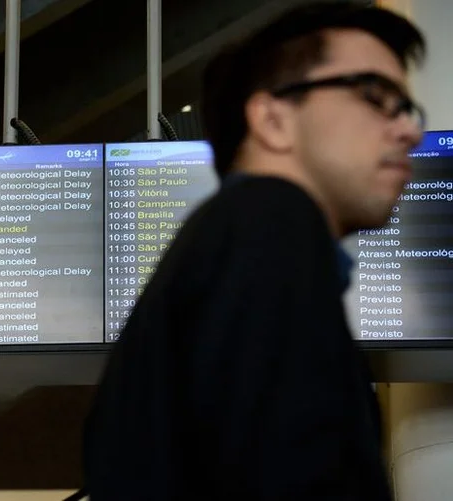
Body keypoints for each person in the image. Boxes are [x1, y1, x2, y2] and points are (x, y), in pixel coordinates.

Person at [82, 3, 425, 500]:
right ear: (272, 119)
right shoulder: (271, 221)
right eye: (375, 96)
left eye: (408, 109)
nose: (409, 131)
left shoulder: (231, 242)